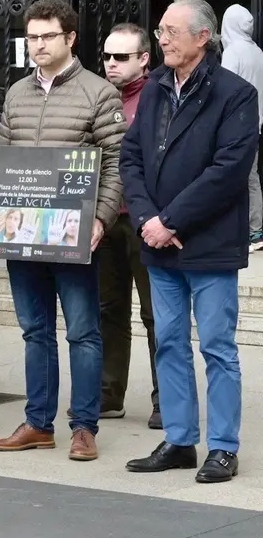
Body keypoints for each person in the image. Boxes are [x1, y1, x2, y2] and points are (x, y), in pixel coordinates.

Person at [0, 0, 125, 460]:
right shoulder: (18, 92)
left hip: (73, 234)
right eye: (32, 37)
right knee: (34, 331)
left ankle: (84, 427)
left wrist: (101, 220)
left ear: (70, 38)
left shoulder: (99, 92)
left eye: (48, 36)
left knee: (83, 332)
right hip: (21, 234)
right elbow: (1, 159)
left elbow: (116, 167)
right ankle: (38, 422)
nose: (39, 45)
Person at [123, 0, 259, 484]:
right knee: (169, 344)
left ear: (202, 37)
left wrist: (172, 221)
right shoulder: (157, 88)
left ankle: (222, 447)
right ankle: (180, 439)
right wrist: (145, 218)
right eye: (160, 30)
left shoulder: (235, 94)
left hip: (208, 244)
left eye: (172, 31)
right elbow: (131, 156)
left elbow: (228, 172)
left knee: (218, 348)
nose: (162, 39)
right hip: (158, 242)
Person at [98, 22, 160, 428]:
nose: (111, 64)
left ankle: (166, 398)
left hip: (148, 221)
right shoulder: (97, 96)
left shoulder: (160, 96)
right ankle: (108, 394)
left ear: (144, 59)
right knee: (108, 309)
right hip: (104, 220)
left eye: (121, 57)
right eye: (106, 56)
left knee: (158, 315)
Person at [219, 5, 263, 250]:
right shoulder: (257, 52)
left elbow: (223, 91)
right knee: (251, 178)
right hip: (253, 124)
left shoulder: (233, 52)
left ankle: (237, 231)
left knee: (231, 176)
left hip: (233, 124)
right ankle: (255, 230)